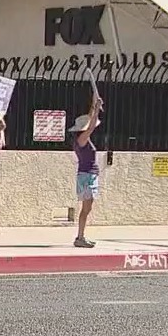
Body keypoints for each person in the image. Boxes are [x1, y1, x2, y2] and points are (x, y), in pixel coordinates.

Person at [69, 93, 103, 249]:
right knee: (86, 209)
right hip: (87, 176)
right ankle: (80, 237)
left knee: (87, 208)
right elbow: (91, 125)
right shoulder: (81, 139)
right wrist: (96, 112)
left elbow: (89, 121)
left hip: (88, 175)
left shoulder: (82, 139)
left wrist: (94, 104)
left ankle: (81, 236)